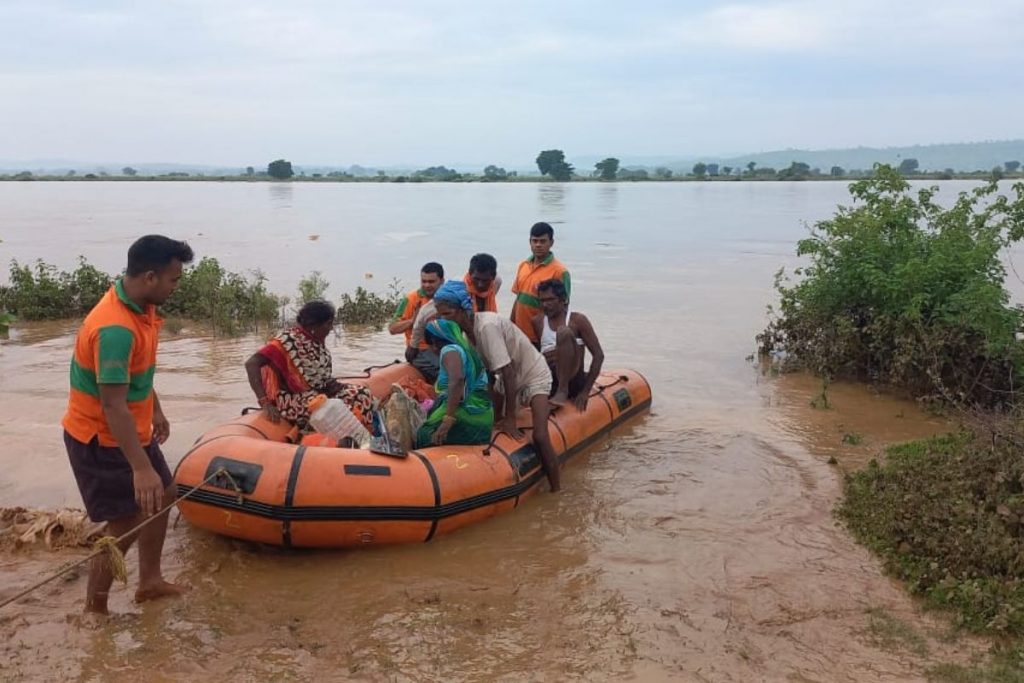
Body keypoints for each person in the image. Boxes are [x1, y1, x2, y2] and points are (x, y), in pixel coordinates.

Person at [62, 235, 194, 615]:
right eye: (174, 279)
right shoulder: (115, 328)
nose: (176, 286)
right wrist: (140, 467)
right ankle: (95, 609)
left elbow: (138, 374)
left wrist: (155, 409)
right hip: (101, 437)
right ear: (150, 276)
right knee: (125, 520)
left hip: (131, 428)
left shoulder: (140, 307)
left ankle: (149, 581)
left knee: (164, 494)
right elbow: (111, 403)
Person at [433, 281, 562, 492]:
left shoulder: (486, 327)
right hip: (504, 380)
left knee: (540, 434)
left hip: (532, 375)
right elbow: (489, 377)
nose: (443, 320)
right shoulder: (465, 335)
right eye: (441, 315)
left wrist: (510, 418)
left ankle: (557, 489)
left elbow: (508, 373)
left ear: (463, 310)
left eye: (447, 315)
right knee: (493, 426)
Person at [245, 300, 373, 431]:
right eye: (328, 324)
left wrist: (330, 385)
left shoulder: (315, 340)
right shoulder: (287, 341)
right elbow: (251, 364)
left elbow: (317, 375)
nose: (331, 328)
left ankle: (368, 438)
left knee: (362, 394)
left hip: (318, 393)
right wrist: (265, 403)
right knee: (331, 407)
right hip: (292, 399)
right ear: (314, 325)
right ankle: (349, 442)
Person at [415, 319, 494, 447]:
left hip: (467, 417)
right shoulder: (468, 350)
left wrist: (448, 419)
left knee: (423, 436)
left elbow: (457, 380)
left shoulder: (449, 350)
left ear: (434, 342)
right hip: (483, 417)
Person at [408, 253, 503, 358]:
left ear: (492, 277)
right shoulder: (456, 288)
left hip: (483, 327)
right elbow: (425, 313)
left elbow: (490, 298)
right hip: (460, 330)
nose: (480, 284)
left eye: (485, 281)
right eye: (476, 279)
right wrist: (413, 345)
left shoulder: (496, 281)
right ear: (470, 274)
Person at [532, 279, 604, 410]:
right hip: (551, 378)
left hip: (574, 378)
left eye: (550, 300)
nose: (546, 305)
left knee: (563, 332)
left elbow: (598, 355)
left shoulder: (577, 320)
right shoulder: (538, 321)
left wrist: (585, 392)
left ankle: (563, 391)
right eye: (542, 301)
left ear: (562, 299)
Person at [511, 222, 570, 343]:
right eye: (535, 241)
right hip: (518, 334)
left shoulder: (559, 271)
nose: (538, 245)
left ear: (551, 243)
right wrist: (510, 325)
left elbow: (564, 307)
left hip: (540, 337)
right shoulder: (524, 265)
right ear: (530, 242)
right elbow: (518, 299)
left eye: (543, 241)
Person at [390, 262, 444, 382]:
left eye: (431, 282)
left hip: (442, 346)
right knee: (448, 372)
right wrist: (413, 321)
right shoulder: (411, 299)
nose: (427, 285)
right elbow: (392, 328)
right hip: (420, 349)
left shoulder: (447, 298)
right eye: (423, 281)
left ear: (442, 281)